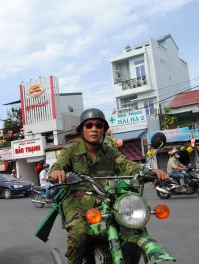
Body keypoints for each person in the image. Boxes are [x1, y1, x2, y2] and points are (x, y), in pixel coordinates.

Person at [48, 108, 169, 264]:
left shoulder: (110, 152)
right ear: (81, 130)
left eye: (99, 126)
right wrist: (58, 172)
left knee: (132, 227)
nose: (94, 129)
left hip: (106, 200)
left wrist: (150, 172)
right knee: (79, 232)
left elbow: (128, 166)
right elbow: (57, 167)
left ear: (104, 130)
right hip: (77, 202)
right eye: (89, 125)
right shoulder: (70, 150)